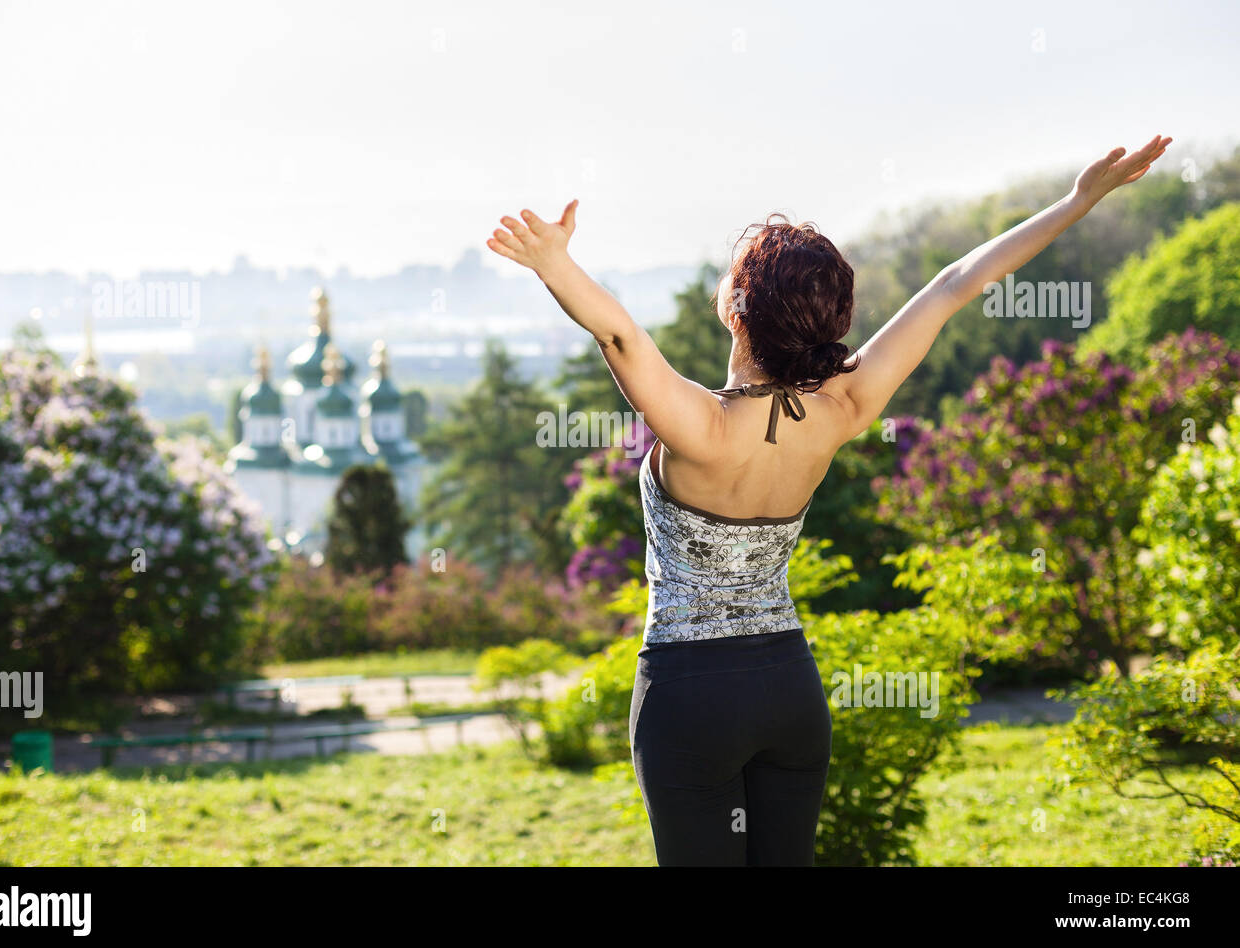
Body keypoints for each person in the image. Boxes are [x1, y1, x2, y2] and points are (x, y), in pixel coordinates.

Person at [485, 135, 1171, 866]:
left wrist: (555, 264)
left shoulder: (704, 427)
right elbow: (953, 286)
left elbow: (618, 331)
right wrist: (1077, 203)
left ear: (739, 308)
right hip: (788, 689)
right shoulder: (846, 407)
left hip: (689, 698)